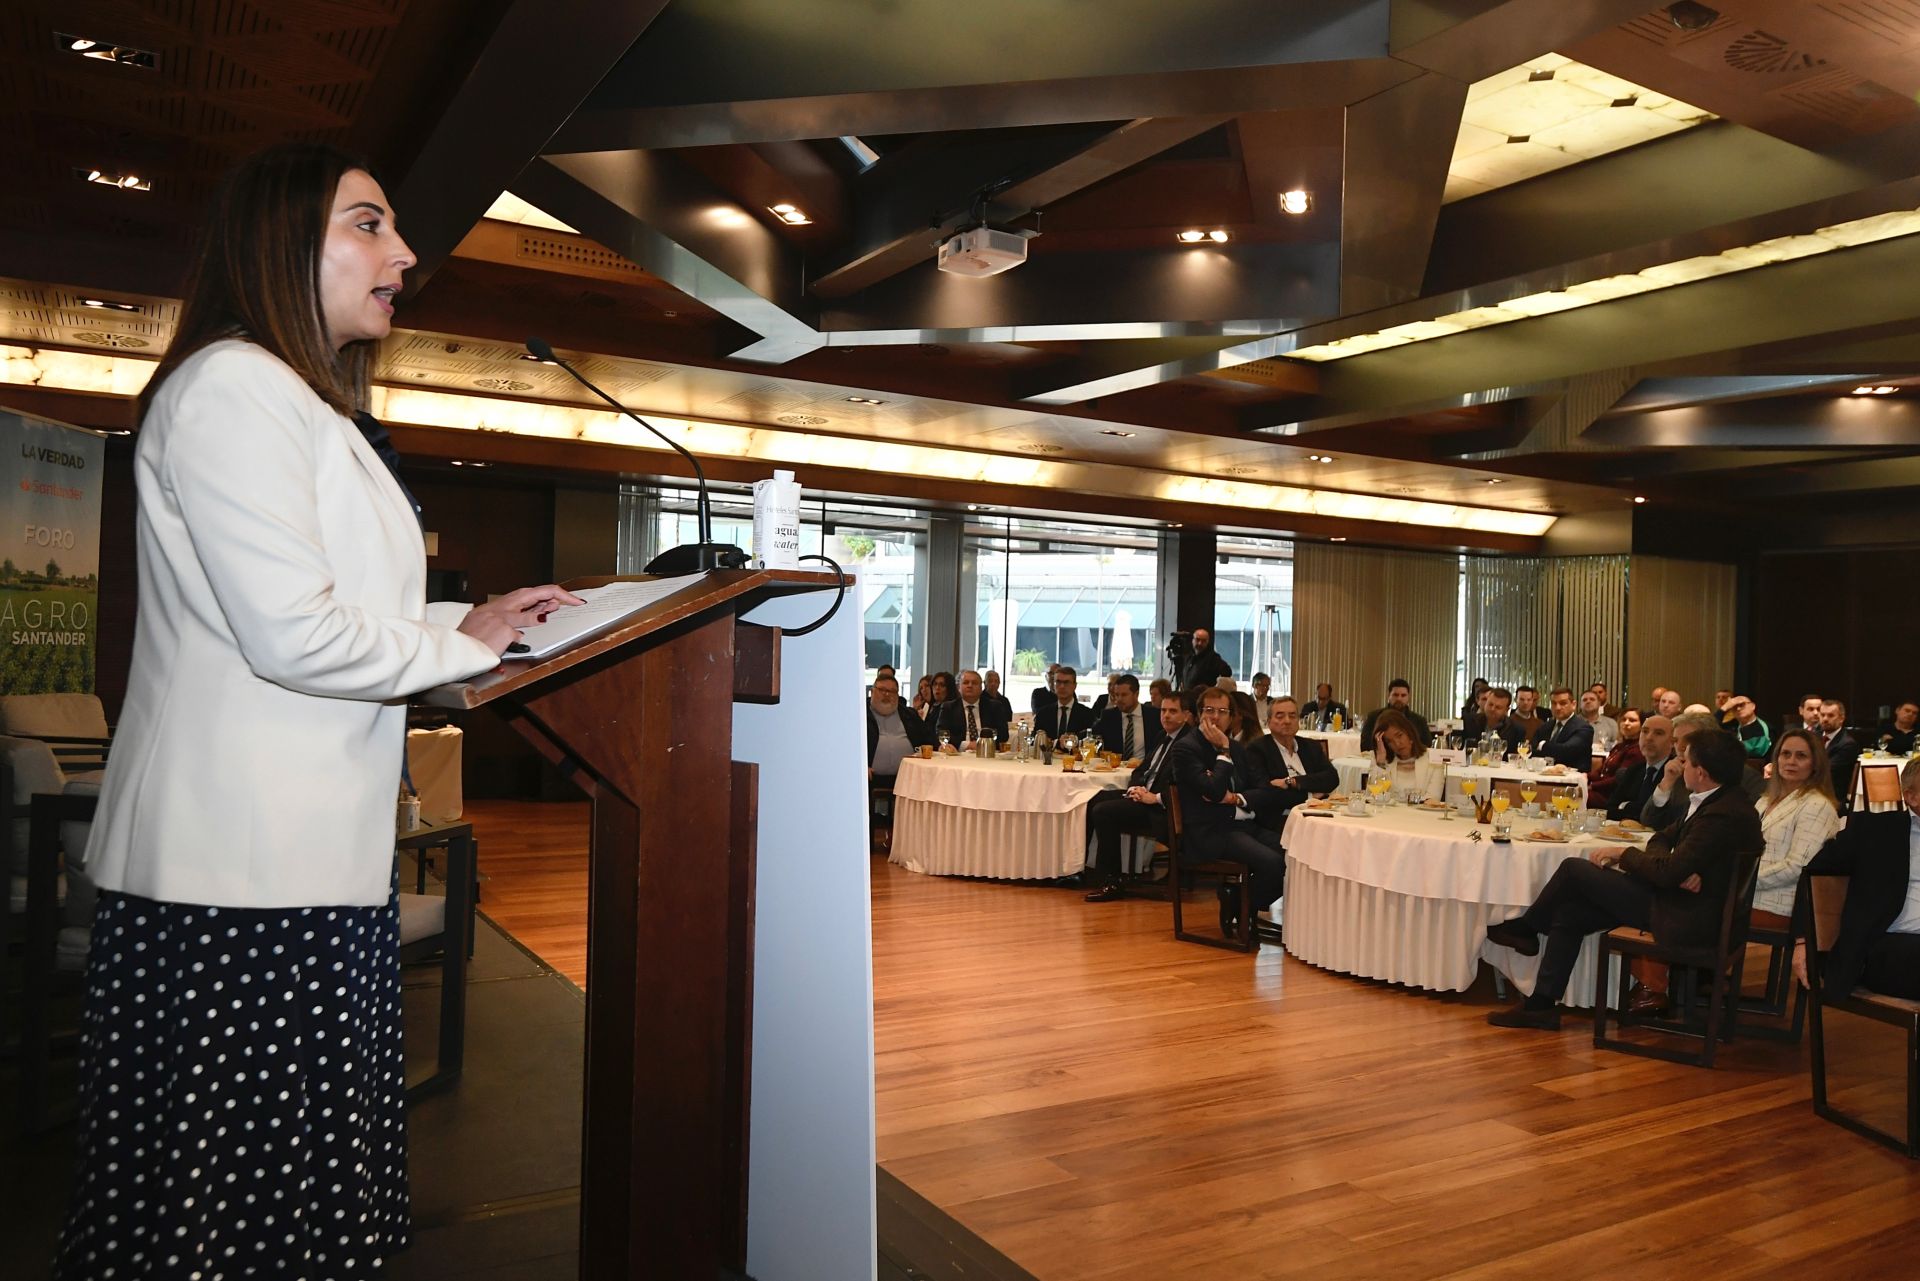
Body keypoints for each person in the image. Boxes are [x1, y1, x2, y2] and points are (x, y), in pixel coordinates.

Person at [54, 143, 583, 1277]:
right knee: (221, 1217)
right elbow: (292, 633)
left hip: (298, 870)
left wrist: (469, 633)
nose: (404, 253)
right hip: (235, 881)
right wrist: (460, 639)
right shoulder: (233, 386)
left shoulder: (299, 402)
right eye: (368, 224)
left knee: (281, 1206)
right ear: (280, 241)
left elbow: (337, 619)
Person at [1484, 732, 1760, 1029]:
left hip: (1688, 918)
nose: (1682, 766)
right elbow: (1662, 837)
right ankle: (1541, 1005)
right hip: (1678, 901)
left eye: (1686, 761)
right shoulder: (1720, 802)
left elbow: (1666, 873)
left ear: (1701, 772)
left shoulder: (1721, 815)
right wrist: (1675, 864)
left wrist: (1624, 853)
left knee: (1574, 869)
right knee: (1570, 912)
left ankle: (1527, 927)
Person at [1796, 757, 1920, 1000]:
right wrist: (1802, 941)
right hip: (1888, 945)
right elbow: (1813, 872)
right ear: (1912, 797)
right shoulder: (1877, 830)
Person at [1172, 686, 1283, 938]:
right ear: (1198, 715)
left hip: (1243, 824)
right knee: (1273, 864)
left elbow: (1264, 790)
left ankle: (1239, 902)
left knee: (1293, 853)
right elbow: (1212, 792)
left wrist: (1237, 798)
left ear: (1232, 717)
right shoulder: (1186, 748)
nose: (1215, 717)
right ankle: (1245, 908)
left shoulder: (1238, 747)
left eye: (1222, 711)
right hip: (1211, 831)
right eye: (1209, 711)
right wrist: (1223, 752)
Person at [1083, 692, 1191, 902]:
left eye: (1172, 711)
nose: (1166, 716)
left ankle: (1112, 880)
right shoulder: (1163, 736)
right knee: (1095, 798)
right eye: (1163, 711)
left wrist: (1154, 797)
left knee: (1104, 812)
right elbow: (1140, 770)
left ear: (1186, 715)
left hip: (1163, 809)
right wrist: (1136, 788)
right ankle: (1092, 870)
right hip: (1145, 797)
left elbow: (1184, 786)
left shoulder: (1188, 742)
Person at [1751, 730, 1840, 926]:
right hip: (1748, 895)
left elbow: (1797, 867)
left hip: (1781, 904)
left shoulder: (1817, 805)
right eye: (1786, 754)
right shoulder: (1765, 801)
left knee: (1702, 910)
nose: (1791, 761)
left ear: (1815, 764)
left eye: (1801, 756)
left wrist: (1743, 881)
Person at [1643, 711, 1765, 829]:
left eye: (1688, 740)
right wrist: (1666, 783)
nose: (1680, 747)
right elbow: (1649, 821)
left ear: (1711, 740)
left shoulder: (1746, 776)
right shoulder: (1678, 773)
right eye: (1675, 741)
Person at [1247, 696, 1339, 835]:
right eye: (1280, 716)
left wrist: (1292, 782)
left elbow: (1332, 778)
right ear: (1269, 721)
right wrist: (1311, 797)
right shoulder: (1257, 749)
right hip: (1281, 820)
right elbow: (1266, 793)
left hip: (1320, 816)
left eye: (1292, 716)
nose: (1287, 721)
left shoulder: (1311, 746)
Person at [1608, 714, 1673, 823]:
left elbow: (1660, 818)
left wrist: (1626, 806)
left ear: (1672, 742)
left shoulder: (1673, 773)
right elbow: (1610, 809)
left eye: (1658, 733)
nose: (1649, 738)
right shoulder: (1635, 769)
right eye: (1645, 731)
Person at [1370, 709, 1445, 800]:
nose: (1397, 744)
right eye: (1389, 741)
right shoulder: (1382, 762)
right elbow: (1374, 796)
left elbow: (1433, 799)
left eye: (1399, 735)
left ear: (1409, 732)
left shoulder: (1433, 759)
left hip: (1420, 814)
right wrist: (1380, 762)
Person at [1094, 672, 1163, 762]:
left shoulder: (1154, 716)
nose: (1119, 699)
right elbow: (1093, 736)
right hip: (1116, 770)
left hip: (1145, 770)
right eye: (1117, 695)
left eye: (1124, 695)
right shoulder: (1109, 717)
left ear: (1136, 694)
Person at [1587, 707, 1644, 810]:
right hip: (1602, 791)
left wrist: (1592, 786)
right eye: (1623, 719)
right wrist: (1586, 776)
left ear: (1641, 725)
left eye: (1632, 720)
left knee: (1575, 796)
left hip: (1612, 797)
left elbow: (1619, 780)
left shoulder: (1637, 750)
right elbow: (1603, 770)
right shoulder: (1619, 746)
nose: (1626, 723)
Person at [940, 668, 1011, 746]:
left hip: (987, 753)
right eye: (966, 683)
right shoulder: (949, 708)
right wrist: (966, 745)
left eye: (974, 683)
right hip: (959, 753)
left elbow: (1003, 735)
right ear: (958, 688)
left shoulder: (994, 707)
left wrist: (982, 745)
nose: (970, 686)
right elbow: (941, 733)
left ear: (981, 688)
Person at [1359, 679, 1431, 754]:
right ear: (1389, 696)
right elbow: (1365, 746)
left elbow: (1426, 746)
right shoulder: (1374, 717)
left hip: (1411, 761)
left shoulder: (1419, 720)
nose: (1399, 699)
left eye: (1403, 695)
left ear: (1408, 697)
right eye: (1395, 695)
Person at [1531, 687, 1595, 768]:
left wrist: (1542, 745)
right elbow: (1532, 751)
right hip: (1543, 773)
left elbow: (1567, 751)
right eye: (1554, 703)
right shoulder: (1545, 726)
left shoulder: (1584, 728)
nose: (1557, 707)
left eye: (1563, 703)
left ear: (1573, 705)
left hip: (1572, 776)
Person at [1815, 699, 1860, 801]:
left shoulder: (1847, 744)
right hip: (1813, 792)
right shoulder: (1814, 737)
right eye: (1822, 715)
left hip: (1832, 797)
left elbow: (1826, 771)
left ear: (1841, 718)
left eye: (1830, 715)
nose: (1825, 719)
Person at [1034, 665, 1095, 741]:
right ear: (1054, 685)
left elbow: (1090, 739)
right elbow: (1036, 740)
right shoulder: (1043, 714)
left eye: (1066, 682)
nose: (1062, 686)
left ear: (1074, 686)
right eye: (1058, 682)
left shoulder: (1087, 714)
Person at [1177, 626, 1232, 690]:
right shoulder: (1188, 657)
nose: (1200, 643)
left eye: (1203, 641)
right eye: (1197, 639)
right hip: (1188, 696)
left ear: (1207, 642)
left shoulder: (1213, 658)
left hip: (1203, 697)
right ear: (1193, 640)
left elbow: (1227, 672)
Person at [1726, 695, 1771, 759]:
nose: (1738, 708)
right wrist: (1724, 708)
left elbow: (1760, 753)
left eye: (1742, 705)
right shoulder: (1731, 727)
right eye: (1734, 706)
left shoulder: (1764, 728)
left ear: (1753, 706)